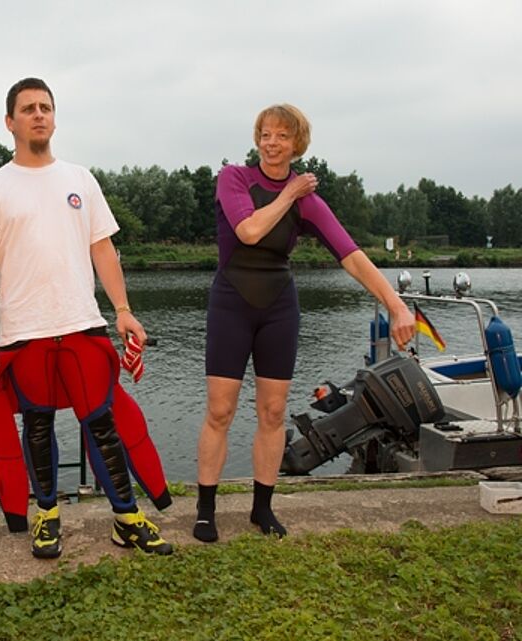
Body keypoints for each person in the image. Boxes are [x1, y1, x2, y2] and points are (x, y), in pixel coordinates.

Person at [0, 78, 173, 559]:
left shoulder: (80, 179)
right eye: (28, 108)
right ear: (10, 122)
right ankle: (47, 517)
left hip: (81, 323)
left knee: (102, 422)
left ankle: (127, 518)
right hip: (23, 330)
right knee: (37, 424)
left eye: (46, 107)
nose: (39, 114)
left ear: (54, 117)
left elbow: (103, 248)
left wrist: (123, 310)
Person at [194, 104, 415, 543]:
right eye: (265, 135)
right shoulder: (234, 178)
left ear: (297, 144)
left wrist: (396, 306)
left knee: (273, 412)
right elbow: (249, 232)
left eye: (281, 136)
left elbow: (350, 255)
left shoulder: (308, 201)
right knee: (220, 410)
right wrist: (290, 195)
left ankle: (262, 508)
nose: (271, 143)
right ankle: (205, 510)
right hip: (231, 301)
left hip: (278, 305)